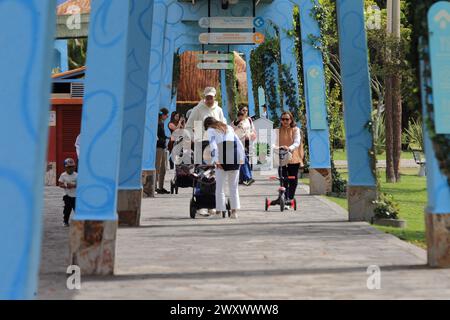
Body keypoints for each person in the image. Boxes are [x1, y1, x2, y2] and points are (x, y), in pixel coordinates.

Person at [204, 117, 245, 219]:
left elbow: (213, 145)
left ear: (207, 125)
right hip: (235, 154)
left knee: (220, 188)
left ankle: (219, 213)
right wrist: (241, 158)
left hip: (222, 155)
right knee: (234, 187)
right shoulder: (229, 128)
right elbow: (239, 143)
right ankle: (234, 212)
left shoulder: (210, 130)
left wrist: (216, 160)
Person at [273, 111, 304, 206]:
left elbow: (297, 142)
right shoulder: (277, 130)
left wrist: (289, 148)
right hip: (281, 157)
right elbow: (272, 142)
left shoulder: (295, 129)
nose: (285, 121)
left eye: (287, 119)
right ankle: (284, 198)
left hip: (293, 157)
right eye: (283, 119)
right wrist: (276, 147)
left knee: (293, 180)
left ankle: (290, 198)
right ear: (280, 120)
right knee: (283, 179)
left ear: (291, 120)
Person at [232, 106, 256, 186]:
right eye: (243, 110)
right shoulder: (236, 121)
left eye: (246, 110)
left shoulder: (249, 120)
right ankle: (247, 178)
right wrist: (238, 122)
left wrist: (250, 135)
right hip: (239, 143)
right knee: (243, 160)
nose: (245, 112)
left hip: (247, 142)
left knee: (245, 160)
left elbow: (253, 130)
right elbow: (232, 130)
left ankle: (243, 178)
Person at [58, 158, 77, 227]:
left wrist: (74, 185)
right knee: (67, 209)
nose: (71, 169)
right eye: (69, 167)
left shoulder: (77, 175)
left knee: (77, 209)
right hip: (67, 195)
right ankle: (65, 221)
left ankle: (79, 221)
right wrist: (66, 186)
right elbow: (60, 184)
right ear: (65, 168)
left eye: (72, 167)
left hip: (76, 196)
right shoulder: (63, 175)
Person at [156, 108, 170, 194]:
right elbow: (159, 136)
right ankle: (155, 187)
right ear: (163, 115)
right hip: (159, 148)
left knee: (163, 169)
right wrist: (165, 139)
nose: (167, 116)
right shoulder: (158, 123)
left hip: (162, 147)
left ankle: (160, 187)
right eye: (166, 115)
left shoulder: (161, 123)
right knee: (158, 168)